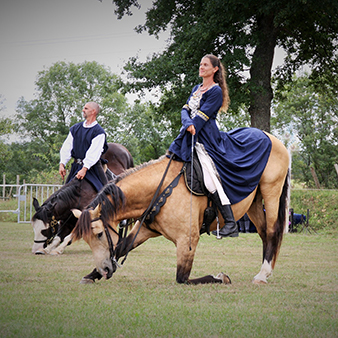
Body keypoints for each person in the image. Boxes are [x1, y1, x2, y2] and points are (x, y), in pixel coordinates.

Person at [169, 54, 238, 237]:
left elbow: (202, 116)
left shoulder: (215, 91)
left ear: (215, 69)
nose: (201, 67)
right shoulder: (196, 88)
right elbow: (185, 110)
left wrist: (192, 125)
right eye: (200, 64)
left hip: (206, 139)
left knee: (209, 178)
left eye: (205, 65)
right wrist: (187, 124)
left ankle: (230, 222)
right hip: (189, 132)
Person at [59, 101, 109, 192]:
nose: (83, 110)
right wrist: (62, 164)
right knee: (62, 194)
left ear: (93, 111)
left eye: (86, 108)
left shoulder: (99, 132)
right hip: (76, 167)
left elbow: (94, 152)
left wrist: (84, 169)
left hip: (93, 168)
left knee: (107, 193)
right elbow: (67, 147)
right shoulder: (75, 128)